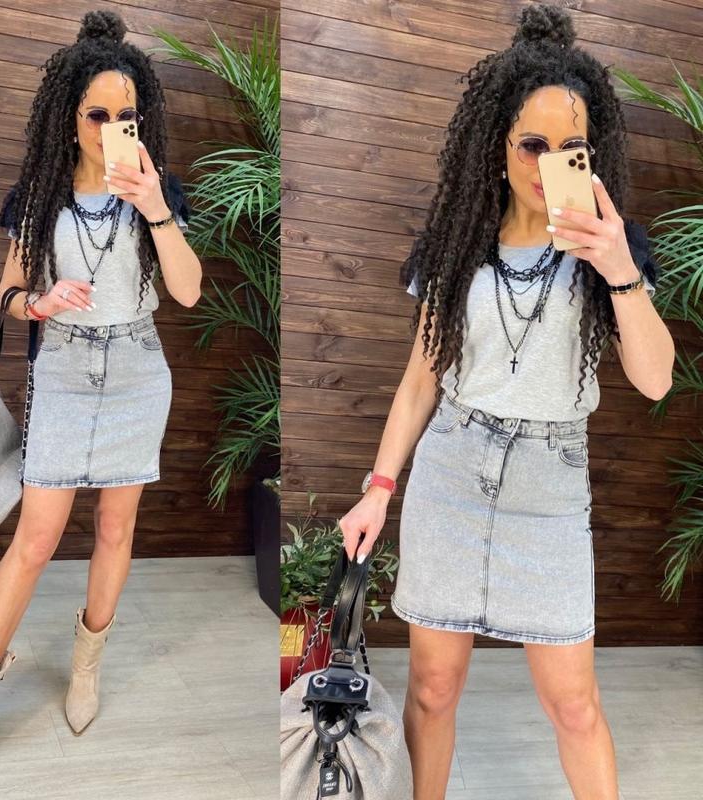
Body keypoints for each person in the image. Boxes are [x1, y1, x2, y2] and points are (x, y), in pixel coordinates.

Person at [337, 5, 675, 799]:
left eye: (571, 149)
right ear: (498, 145)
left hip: (548, 485)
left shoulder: (612, 249)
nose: (549, 164)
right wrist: (378, 489)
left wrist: (619, 269)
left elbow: (656, 379)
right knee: (433, 688)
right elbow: (421, 380)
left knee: (574, 706)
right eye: (532, 144)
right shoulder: (456, 245)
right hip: (452, 470)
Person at [0, 10, 202, 773]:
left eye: (128, 115)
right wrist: (42, 302)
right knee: (36, 539)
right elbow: (9, 294)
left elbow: (188, 291)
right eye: (98, 114)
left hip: (137, 370)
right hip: (61, 367)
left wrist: (155, 207)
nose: (113, 128)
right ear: (70, 115)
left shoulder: (158, 193)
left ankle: (87, 664)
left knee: (116, 530)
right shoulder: (39, 196)